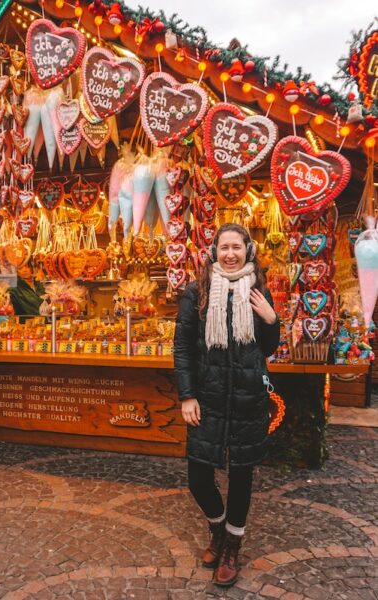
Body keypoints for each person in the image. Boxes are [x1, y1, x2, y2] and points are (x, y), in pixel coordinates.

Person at [174, 223, 280, 587]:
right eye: (224, 247)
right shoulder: (196, 292)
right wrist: (187, 394)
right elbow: (184, 347)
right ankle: (217, 528)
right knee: (198, 476)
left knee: (242, 474)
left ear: (248, 251)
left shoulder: (259, 289)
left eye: (237, 247)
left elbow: (266, 348)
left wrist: (271, 319)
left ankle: (232, 546)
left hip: (249, 397)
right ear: (213, 252)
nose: (230, 253)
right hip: (208, 397)